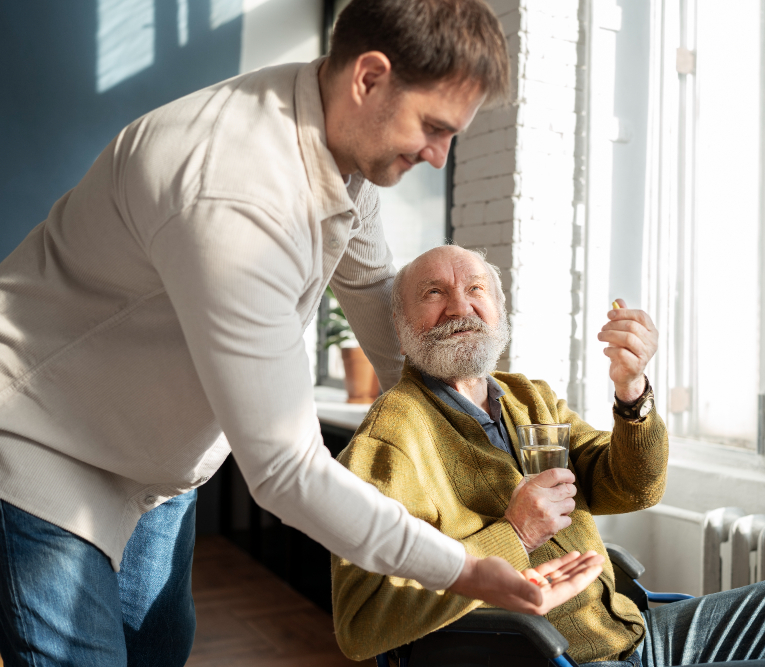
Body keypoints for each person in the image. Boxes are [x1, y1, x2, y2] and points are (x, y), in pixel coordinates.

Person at [0, 1, 604, 665]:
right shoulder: (235, 193)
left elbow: (377, 296)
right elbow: (286, 469)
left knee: (158, 655)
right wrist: (465, 563)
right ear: (369, 78)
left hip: (151, 471)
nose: (439, 157)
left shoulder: (336, 143)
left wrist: (468, 439)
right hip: (43, 440)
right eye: (433, 127)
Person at [331, 245, 765, 666]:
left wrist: (632, 391)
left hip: (625, 630)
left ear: (497, 311)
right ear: (402, 332)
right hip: (553, 655)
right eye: (432, 294)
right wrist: (515, 535)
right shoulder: (394, 435)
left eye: (476, 288)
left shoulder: (527, 397)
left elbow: (632, 486)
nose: (460, 306)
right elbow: (361, 621)